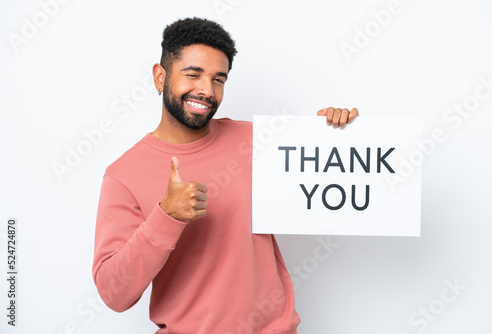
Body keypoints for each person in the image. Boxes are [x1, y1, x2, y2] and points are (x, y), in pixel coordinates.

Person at [92, 17, 358, 334]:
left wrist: (333, 133)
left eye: (219, 79)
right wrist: (166, 216)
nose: (207, 90)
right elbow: (114, 293)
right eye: (193, 74)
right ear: (160, 77)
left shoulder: (260, 142)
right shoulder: (123, 176)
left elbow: (327, 179)